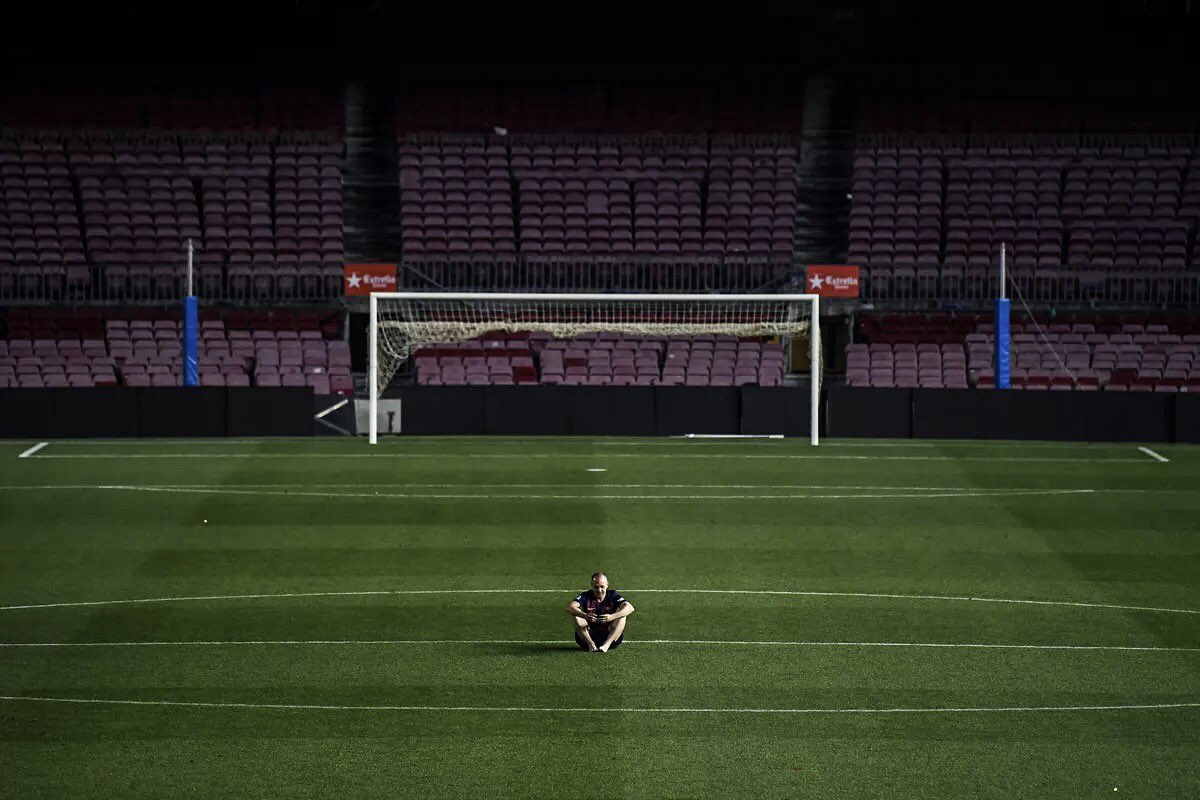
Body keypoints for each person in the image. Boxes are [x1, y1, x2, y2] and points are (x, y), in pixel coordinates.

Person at [565, 572, 635, 652]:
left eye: (602, 587)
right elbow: (569, 608)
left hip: (610, 635)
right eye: (596, 587)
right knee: (576, 614)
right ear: (592, 585)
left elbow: (630, 608)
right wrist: (585, 615)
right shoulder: (586, 595)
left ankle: (606, 645)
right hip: (588, 635)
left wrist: (611, 617)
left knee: (622, 615)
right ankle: (591, 644)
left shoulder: (612, 595)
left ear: (607, 585)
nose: (599, 590)